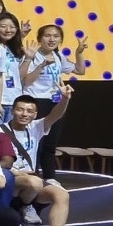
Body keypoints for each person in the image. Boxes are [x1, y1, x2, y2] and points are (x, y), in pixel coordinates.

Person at [3, 89, 76, 226]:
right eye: (20, 109)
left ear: (35, 114)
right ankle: (22, 207)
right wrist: (16, 172)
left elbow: (55, 115)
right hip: (10, 180)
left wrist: (65, 99)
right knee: (34, 182)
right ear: (12, 110)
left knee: (61, 194)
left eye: (29, 111)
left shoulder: (36, 127)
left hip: (31, 182)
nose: (24, 114)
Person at [19, 24, 85, 180]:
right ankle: (33, 178)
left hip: (55, 102)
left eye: (56, 36)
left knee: (50, 145)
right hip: (36, 101)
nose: (52, 39)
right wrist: (42, 65)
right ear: (39, 38)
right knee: (36, 144)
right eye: (47, 35)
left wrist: (79, 53)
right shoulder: (33, 55)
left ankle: (50, 179)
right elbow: (26, 81)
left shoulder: (58, 56)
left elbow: (80, 70)